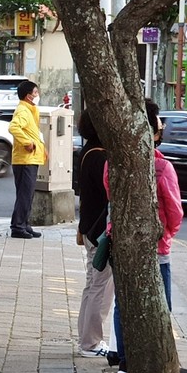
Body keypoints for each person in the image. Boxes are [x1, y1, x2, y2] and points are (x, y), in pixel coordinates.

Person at [106, 101, 187, 373]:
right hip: (156, 246)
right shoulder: (162, 167)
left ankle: (125, 362)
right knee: (160, 305)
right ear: (153, 131)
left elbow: (111, 196)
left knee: (123, 302)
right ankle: (158, 362)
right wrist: (167, 235)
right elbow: (175, 210)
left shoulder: (112, 162)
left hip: (121, 241)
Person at [75, 111, 113, 358]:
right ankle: (91, 342)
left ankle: (87, 338)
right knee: (100, 286)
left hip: (89, 227)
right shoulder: (100, 158)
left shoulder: (86, 152)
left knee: (92, 284)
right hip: (101, 231)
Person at [8, 80, 45, 239]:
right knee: (24, 194)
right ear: (28, 96)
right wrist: (27, 143)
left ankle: (24, 224)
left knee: (28, 194)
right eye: (35, 93)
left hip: (31, 158)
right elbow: (13, 127)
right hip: (24, 160)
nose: (37, 96)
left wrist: (42, 147)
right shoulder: (23, 110)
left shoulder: (30, 110)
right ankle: (18, 227)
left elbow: (34, 132)